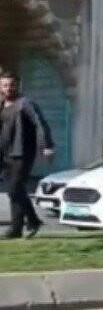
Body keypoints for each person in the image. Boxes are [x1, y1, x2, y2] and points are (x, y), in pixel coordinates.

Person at [0, 71, 55, 239]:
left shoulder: (25, 104)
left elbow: (40, 124)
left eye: (11, 85)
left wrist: (47, 145)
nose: (8, 88)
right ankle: (21, 227)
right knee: (14, 191)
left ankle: (28, 222)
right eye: (5, 85)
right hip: (4, 154)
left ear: (18, 85)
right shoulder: (1, 104)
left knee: (15, 188)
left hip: (21, 153)